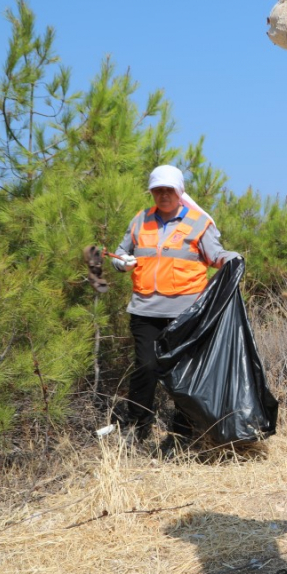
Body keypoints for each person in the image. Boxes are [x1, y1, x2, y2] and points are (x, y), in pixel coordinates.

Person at [111, 164, 241, 448]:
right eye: (157, 190)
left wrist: (230, 258)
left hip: (186, 314)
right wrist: (120, 262)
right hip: (145, 310)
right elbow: (122, 252)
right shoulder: (140, 220)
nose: (163, 195)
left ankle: (181, 435)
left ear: (179, 192)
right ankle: (137, 428)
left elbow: (214, 255)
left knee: (183, 374)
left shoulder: (198, 223)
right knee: (146, 367)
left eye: (168, 190)